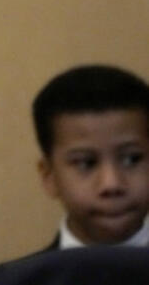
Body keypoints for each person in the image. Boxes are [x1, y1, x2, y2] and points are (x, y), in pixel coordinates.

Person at [32, 64, 149, 250]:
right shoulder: (19, 279)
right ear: (49, 176)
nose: (111, 184)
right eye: (86, 163)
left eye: (131, 159)